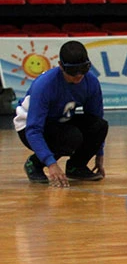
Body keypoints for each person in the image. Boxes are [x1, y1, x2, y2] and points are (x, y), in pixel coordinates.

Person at [14, 40, 108, 187]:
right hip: (29, 126)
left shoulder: (91, 83)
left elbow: (95, 118)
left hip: (59, 122)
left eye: (83, 69)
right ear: (61, 66)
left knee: (99, 126)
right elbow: (33, 130)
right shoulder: (45, 85)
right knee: (72, 137)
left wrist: (99, 154)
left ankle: (76, 166)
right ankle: (35, 164)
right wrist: (51, 163)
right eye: (72, 71)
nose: (78, 76)